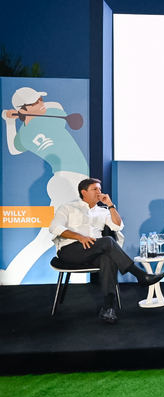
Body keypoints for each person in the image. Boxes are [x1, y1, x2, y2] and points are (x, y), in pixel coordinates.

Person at [2, 87, 89, 285]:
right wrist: (16, 117)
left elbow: (14, 148)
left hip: (66, 181)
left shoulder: (32, 129)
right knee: (76, 230)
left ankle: (11, 274)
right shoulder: (48, 118)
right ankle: (78, 276)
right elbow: (14, 150)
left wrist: (10, 120)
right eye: (36, 101)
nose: (42, 103)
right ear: (24, 108)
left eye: (41, 99)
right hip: (69, 181)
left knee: (46, 237)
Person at [49, 178, 164, 324]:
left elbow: (118, 226)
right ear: (84, 192)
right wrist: (79, 237)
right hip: (70, 250)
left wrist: (110, 205)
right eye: (95, 189)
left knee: (108, 258)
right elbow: (55, 227)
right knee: (109, 241)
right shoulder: (67, 207)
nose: (99, 192)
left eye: (100, 188)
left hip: (94, 251)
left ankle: (108, 308)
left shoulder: (102, 211)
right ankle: (140, 275)